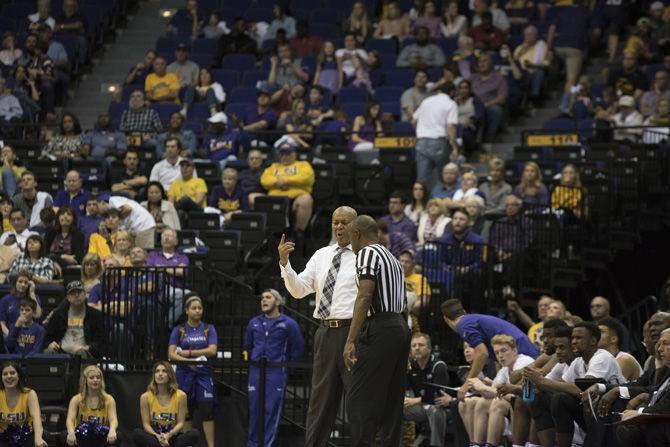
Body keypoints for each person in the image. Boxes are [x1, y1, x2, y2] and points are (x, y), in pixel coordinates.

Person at [278, 206, 357, 447]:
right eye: (336, 222)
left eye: (344, 222)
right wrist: (285, 263)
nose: (339, 227)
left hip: (353, 332)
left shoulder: (364, 256)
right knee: (320, 400)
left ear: (355, 226)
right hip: (324, 331)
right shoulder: (322, 254)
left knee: (357, 399)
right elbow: (299, 289)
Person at [343, 216, 410, 446]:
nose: (350, 241)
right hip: (400, 327)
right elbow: (404, 304)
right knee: (392, 399)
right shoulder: (391, 257)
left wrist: (351, 339)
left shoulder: (367, 253)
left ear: (358, 234)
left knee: (359, 398)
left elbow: (364, 295)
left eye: (351, 236)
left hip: (379, 327)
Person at [523, 322, 625, 447]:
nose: (574, 342)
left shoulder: (602, 358)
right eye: (573, 338)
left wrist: (540, 380)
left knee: (560, 398)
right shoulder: (578, 361)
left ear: (593, 341)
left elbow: (584, 390)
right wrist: (531, 380)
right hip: (593, 409)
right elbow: (555, 385)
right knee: (538, 398)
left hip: (614, 411)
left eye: (579, 338)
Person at [441, 298, 539, 399]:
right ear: (464, 312)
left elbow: (482, 354)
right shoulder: (470, 319)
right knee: (498, 400)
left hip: (521, 352)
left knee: (522, 399)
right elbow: (495, 356)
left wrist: (466, 384)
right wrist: (496, 382)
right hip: (522, 348)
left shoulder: (462, 325)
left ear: (445, 318)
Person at [244, 289, 303, 447]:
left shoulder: (289, 324)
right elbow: (247, 346)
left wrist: (285, 368)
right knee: (254, 409)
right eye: (262, 297)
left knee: (271, 410)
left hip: (276, 371)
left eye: (268, 297)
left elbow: (297, 349)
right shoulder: (253, 323)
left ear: (277, 302)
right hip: (256, 370)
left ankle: (266, 445)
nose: (264, 300)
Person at [461, 334, 535, 447]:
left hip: (530, 405)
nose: (500, 356)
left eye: (503, 350)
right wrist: (481, 386)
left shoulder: (523, 362)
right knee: (479, 402)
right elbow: (493, 390)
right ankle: (476, 444)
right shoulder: (504, 370)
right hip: (516, 405)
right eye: (497, 353)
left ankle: (492, 444)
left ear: (514, 350)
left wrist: (484, 388)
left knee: (498, 403)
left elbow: (522, 395)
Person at [168, 294, 217, 447]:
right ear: (186, 310)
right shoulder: (179, 330)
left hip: (203, 375)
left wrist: (187, 353)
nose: (197, 311)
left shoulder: (209, 329)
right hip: (183, 375)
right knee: (186, 412)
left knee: (207, 410)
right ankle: (188, 445)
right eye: (194, 308)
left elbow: (212, 351)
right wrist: (192, 360)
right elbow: (171, 354)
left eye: (200, 308)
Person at [132, 361, 202, 447]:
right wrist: (157, 436)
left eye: (164, 371)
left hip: (173, 436)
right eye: (157, 371)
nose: (160, 374)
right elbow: (146, 424)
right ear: (154, 376)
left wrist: (168, 435)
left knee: (194, 434)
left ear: (170, 375)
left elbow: (181, 423)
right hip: (155, 436)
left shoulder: (181, 395)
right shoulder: (145, 397)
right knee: (137, 433)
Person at [403, 333, 449, 447]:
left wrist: (415, 401)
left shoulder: (438, 365)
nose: (417, 348)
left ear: (429, 348)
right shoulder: (410, 366)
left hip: (442, 407)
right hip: (420, 408)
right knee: (393, 410)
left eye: (421, 345)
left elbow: (437, 395)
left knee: (435, 410)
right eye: (413, 346)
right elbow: (406, 390)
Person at [260, 144, 314, 235]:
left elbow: (306, 178)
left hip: (296, 197)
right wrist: (277, 182)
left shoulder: (303, 165)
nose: (284, 156)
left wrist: (286, 181)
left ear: (294, 154)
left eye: (287, 154)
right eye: (282, 154)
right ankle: (270, 234)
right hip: (275, 198)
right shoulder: (273, 167)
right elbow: (264, 180)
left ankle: (298, 233)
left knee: (306, 200)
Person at [412, 83, 459, 189]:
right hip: (439, 142)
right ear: (452, 92)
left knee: (422, 179)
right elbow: (450, 126)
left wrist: (419, 133)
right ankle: (443, 201)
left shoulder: (426, 101)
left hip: (422, 142)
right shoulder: (451, 103)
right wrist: (454, 147)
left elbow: (413, 120)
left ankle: (422, 203)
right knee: (445, 177)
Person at [44, 280, 105, 358]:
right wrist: (50, 344)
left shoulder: (95, 315)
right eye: (73, 293)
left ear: (85, 294)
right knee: (48, 352)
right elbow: (47, 337)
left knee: (81, 353)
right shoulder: (58, 314)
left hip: (84, 353)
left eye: (79, 292)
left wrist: (88, 348)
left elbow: (101, 341)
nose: (76, 295)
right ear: (68, 298)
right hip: (61, 352)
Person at [64, 365, 119, 447]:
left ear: (101, 380)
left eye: (98, 377)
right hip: (82, 435)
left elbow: (114, 420)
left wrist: (112, 430)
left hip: (101, 435)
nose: (95, 380)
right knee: (64, 436)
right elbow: (70, 419)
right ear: (85, 380)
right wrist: (71, 432)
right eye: (91, 377)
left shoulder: (109, 399)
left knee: (119, 436)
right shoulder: (76, 399)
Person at [0, 362, 48, 447]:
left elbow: (36, 417)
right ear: (1, 378)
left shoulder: (29, 393)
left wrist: (38, 438)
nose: (9, 376)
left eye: (12, 373)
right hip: (2, 437)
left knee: (41, 437)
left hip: (25, 436)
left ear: (19, 376)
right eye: (5, 374)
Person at [471, 53, 507, 145]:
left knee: (496, 110)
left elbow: (501, 98)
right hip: (471, 106)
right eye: (480, 62)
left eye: (485, 61)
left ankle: (488, 138)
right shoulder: (473, 78)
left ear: (491, 63)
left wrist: (485, 105)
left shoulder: (499, 79)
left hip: (488, 106)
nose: (481, 64)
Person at [597, 317, 642, 381]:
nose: (596, 335)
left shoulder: (625, 359)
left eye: (601, 332)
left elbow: (605, 386)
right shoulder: (598, 360)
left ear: (613, 339)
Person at [0, 271, 41, 337]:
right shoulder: (5, 300)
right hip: (11, 336)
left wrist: (32, 292)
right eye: (20, 281)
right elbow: (2, 323)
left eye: (26, 283)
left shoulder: (34, 298)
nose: (23, 285)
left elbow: (38, 315)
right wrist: (11, 336)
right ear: (15, 283)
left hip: (30, 337)